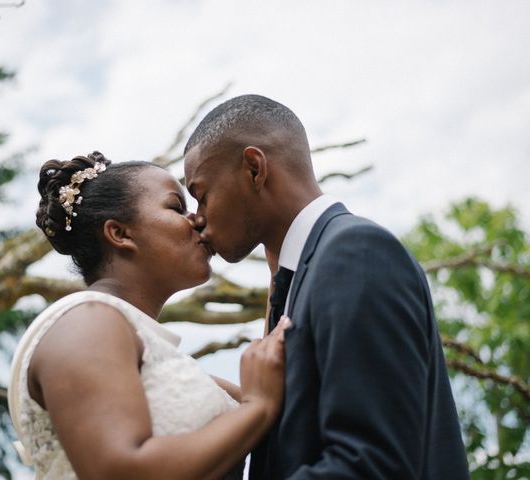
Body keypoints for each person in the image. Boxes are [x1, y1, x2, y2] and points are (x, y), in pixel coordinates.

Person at [183, 94, 470, 479]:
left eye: (201, 195)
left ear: (254, 169)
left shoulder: (355, 252)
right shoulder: (303, 275)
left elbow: (372, 466)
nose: (198, 219)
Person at [7, 151, 290, 480]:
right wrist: (258, 407)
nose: (199, 219)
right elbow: (120, 471)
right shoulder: (87, 321)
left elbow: (275, 391)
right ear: (120, 234)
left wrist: (279, 259)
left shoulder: (156, 360)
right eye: (176, 207)